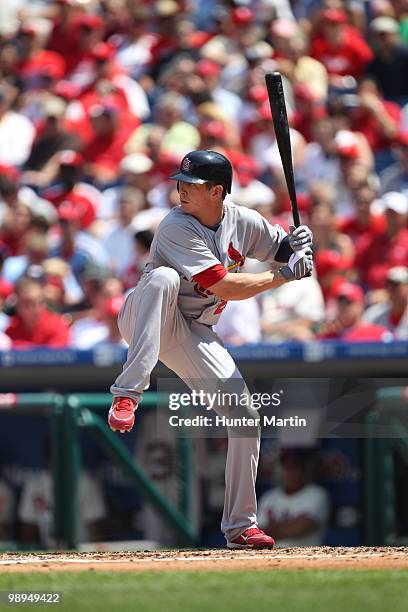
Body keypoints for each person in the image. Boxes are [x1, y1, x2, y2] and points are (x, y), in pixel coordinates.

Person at [108, 149, 313, 549]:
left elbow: (285, 253)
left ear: (218, 191)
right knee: (163, 279)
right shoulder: (175, 226)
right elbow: (225, 288)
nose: (181, 190)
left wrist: (299, 247)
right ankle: (127, 394)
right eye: (180, 183)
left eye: (193, 185)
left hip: (193, 330)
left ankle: (240, 526)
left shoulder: (243, 221)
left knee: (245, 417)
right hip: (146, 316)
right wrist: (284, 275)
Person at [258, 449, 330, 547]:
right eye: (286, 467)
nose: (290, 472)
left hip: (307, 557)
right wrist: (289, 525)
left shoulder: (317, 495)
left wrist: (274, 527)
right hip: (273, 557)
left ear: (304, 470)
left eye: (295, 467)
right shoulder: (268, 497)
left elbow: (299, 529)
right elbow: (259, 534)